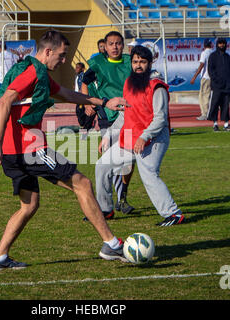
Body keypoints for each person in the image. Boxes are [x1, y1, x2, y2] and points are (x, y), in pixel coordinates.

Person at [0, 30, 130, 270]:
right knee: (82, 183)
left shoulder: (38, 73)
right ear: (48, 51)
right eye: (62, 56)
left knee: (29, 206)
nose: (64, 61)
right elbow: (4, 101)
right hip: (27, 148)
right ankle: (111, 244)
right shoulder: (32, 72)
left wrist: (103, 102)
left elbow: (67, 94)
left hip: (15, 152)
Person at [95, 45, 184, 227]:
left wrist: (144, 137)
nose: (138, 65)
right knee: (102, 165)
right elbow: (124, 114)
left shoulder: (156, 86)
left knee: (148, 173)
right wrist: (109, 136)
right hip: (131, 137)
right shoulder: (129, 83)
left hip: (154, 139)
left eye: (142, 62)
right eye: (135, 62)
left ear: (150, 63)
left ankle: (173, 214)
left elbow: (160, 119)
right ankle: (106, 210)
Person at [81, 30, 135, 217]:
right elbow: (85, 80)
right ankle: (109, 205)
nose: (115, 47)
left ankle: (122, 197)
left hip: (129, 116)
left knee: (126, 160)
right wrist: (88, 102)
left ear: (123, 45)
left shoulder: (130, 62)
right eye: (111, 43)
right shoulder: (98, 63)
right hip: (107, 115)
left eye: (118, 43)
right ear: (105, 46)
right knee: (108, 160)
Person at [207, 38, 230, 132]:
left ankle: (226, 124)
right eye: (220, 43)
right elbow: (210, 70)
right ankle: (215, 124)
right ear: (217, 45)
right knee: (215, 105)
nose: (222, 45)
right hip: (217, 86)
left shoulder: (227, 56)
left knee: (225, 105)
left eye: (223, 43)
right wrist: (216, 80)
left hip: (226, 86)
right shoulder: (213, 56)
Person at [190, 38, 212, 121]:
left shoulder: (204, 53)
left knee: (203, 96)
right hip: (212, 77)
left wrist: (194, 77)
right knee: (208, 95)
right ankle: (208, 112)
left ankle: (205, 114)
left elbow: (201, 65)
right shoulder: (212, 52)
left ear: (204, 45)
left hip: (206, 77)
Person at [74, 62, 96, 140]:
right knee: (79, 113)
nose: (76, 69)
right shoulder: (77, 77)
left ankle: (85, 130)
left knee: (89, 113)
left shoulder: (86, 75)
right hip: (79, 97)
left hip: (87, 97)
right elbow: (77, 87)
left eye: (78, 67)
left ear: (83, 69)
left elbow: (87, 86)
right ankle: (85, 126)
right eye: (76, 67)